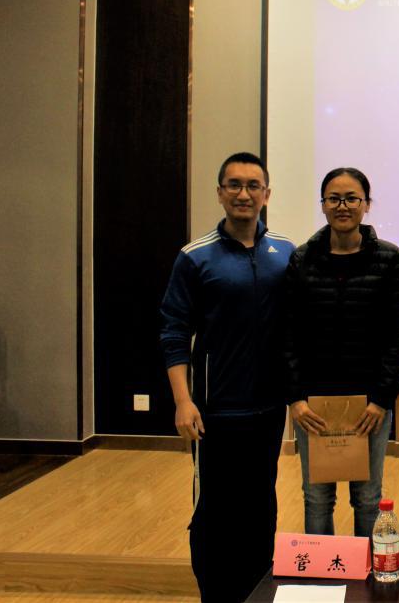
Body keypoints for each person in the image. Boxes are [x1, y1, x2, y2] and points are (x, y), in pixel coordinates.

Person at [160, 152, 295, 603]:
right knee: (215, 511)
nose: (243, 193)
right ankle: (216, 594)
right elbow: (174, 332)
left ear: (266, 194)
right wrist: (183, 400)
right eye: (234, 185)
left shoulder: (285, 253)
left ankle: (256, 590)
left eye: (253, 185)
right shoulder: (194, 257)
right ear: (220, 193)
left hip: (269, 408)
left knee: (261, 504)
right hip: (215, 410)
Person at [281, 167, 399, 537]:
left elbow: (398, 336)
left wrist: (382, 400)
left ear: (366, 204)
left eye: (352, 198)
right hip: (313, 405)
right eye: (334, 198)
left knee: (368, 499)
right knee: (316, 498)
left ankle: (366, 573)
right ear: (322, 204)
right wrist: (295, 399)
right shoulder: (302, 259)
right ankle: (322, 574)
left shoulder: (389, 258)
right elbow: (287, 334)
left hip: (369, 405)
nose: (343, 206)